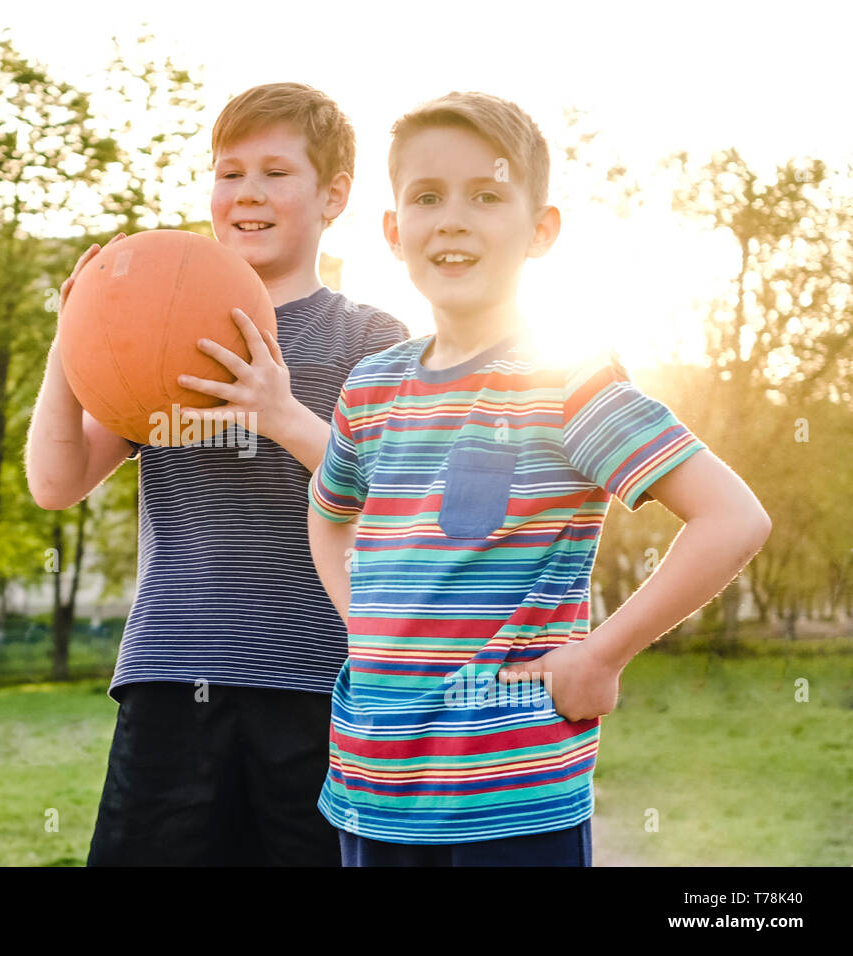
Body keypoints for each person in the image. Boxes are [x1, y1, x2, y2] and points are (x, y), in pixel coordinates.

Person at [306, 91, 772, 866]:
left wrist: (602, 655)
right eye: (427, 197)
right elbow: (328, 515)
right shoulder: (371, 387)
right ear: (394, 231)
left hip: (511, 800)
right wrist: (358, 617)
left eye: (487, 196)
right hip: (372, 789)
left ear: (541, 230)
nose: (452, 219)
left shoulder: (569, 383)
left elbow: (732, 518)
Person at [25, 82, 411, 865]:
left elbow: (395, 501)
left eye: (275, 172)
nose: (246, 194)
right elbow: (55, 483)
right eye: (229, 172)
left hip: (318, 686)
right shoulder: (162, 327)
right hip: (172, 677)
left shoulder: (370, 336)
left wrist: (282, 413)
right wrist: (71, 348)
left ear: (332, 195)